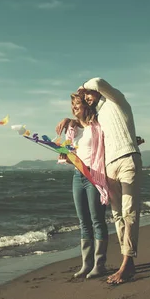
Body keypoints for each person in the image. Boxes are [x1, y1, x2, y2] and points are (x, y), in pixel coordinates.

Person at [56, 77, 143, 285]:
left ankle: (122, 263)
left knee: (127, 211)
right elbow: (78, 139)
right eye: (78, 101)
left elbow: (98, 82)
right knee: (116, 216)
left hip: (119, 163)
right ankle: (94, 263)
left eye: (84, 98)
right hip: (103, 168)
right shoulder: (90, 120)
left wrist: (83, 88)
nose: (83, 100)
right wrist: (70, 125)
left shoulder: (115, 100)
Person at [60, 91, 110, 279]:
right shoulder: (72, 129)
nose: (74, 108)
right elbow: (69, 152)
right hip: (77, 176)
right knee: (83, 222)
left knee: (97, 220)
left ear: (87, 106)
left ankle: (99, 264)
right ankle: (86, 264)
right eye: (72, 105)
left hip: (94, 175)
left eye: (77, 104)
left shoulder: (97, 125)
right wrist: (65, 154)